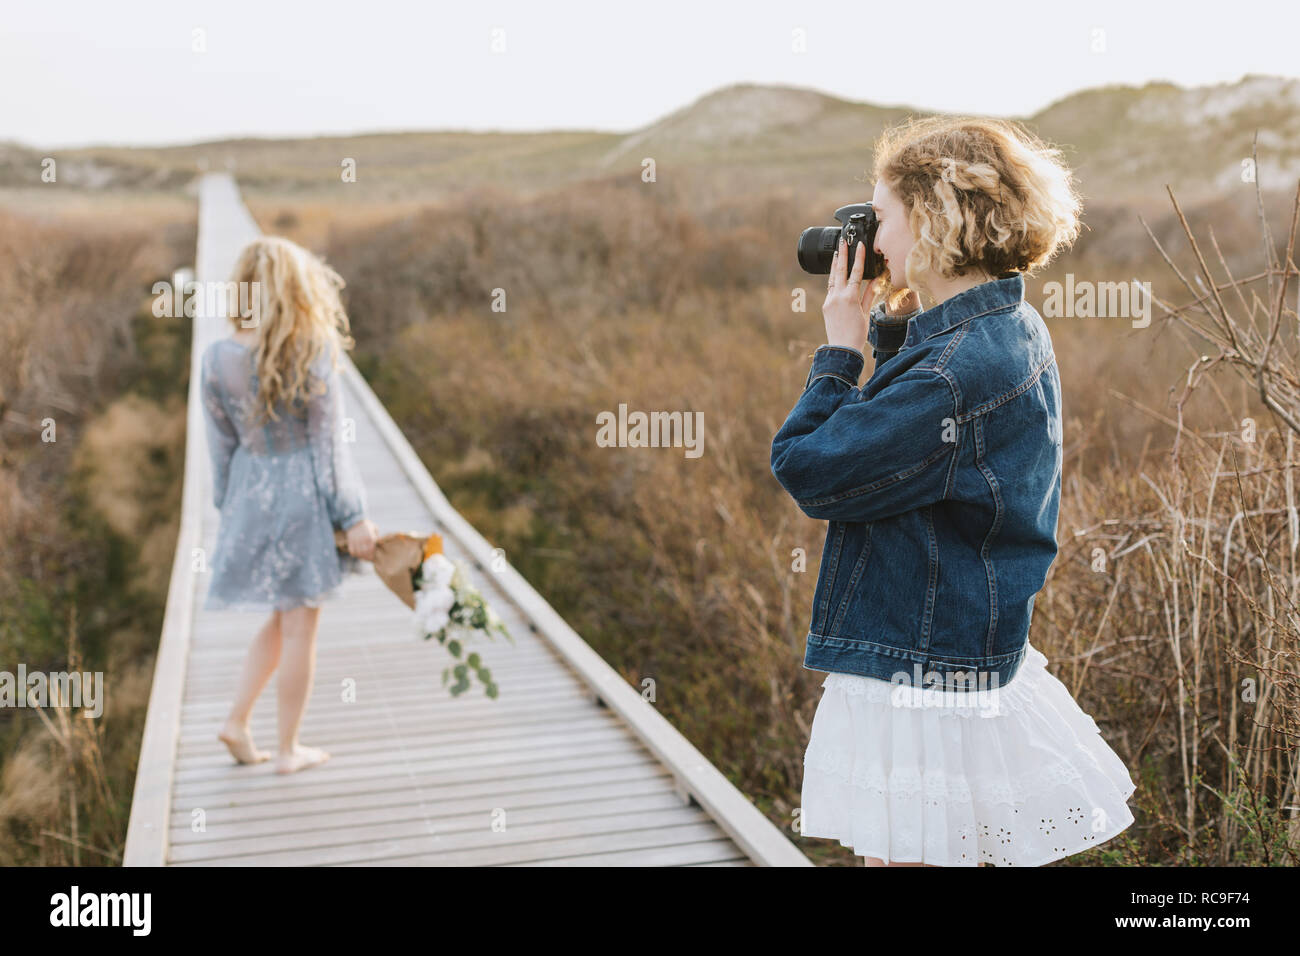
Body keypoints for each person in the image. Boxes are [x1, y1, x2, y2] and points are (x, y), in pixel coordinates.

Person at [771, 115, 1136, 866]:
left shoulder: (951, 372)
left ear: (932, 217)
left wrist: (839, 352)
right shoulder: (1008, 326)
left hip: (923, 670)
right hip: (957, 650)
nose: (871, 237)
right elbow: (931, 440)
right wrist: (890, 321)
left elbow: (812, 468)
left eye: (881, 216)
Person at [199, 236, 379, 775]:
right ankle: (287, 749)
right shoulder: (313, 349)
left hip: (251, 493)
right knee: (301, 626)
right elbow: (329, 450)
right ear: (298, 287)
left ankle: (237, 722)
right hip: (302, 496)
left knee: (281, 619)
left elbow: (221, 444)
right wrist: (353, 516)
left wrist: (227, 506)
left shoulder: (217, 357)